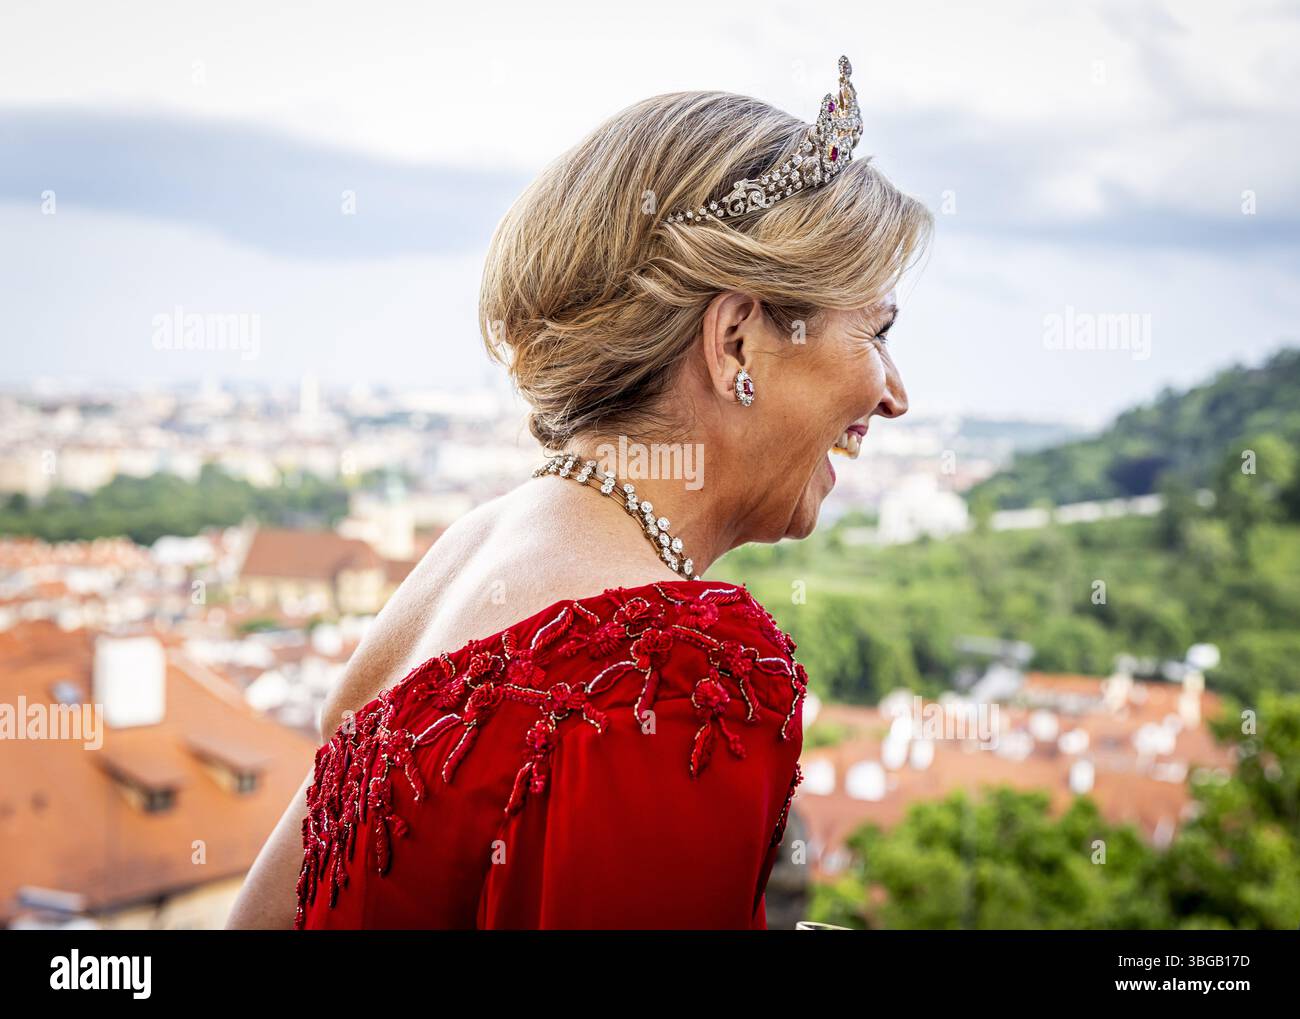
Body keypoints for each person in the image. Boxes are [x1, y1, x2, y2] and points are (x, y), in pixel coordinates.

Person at [227, 55, 930, 930]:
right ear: (738, 340)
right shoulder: (679, 671)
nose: (895, 394)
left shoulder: (465, 556)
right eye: (877, 331)